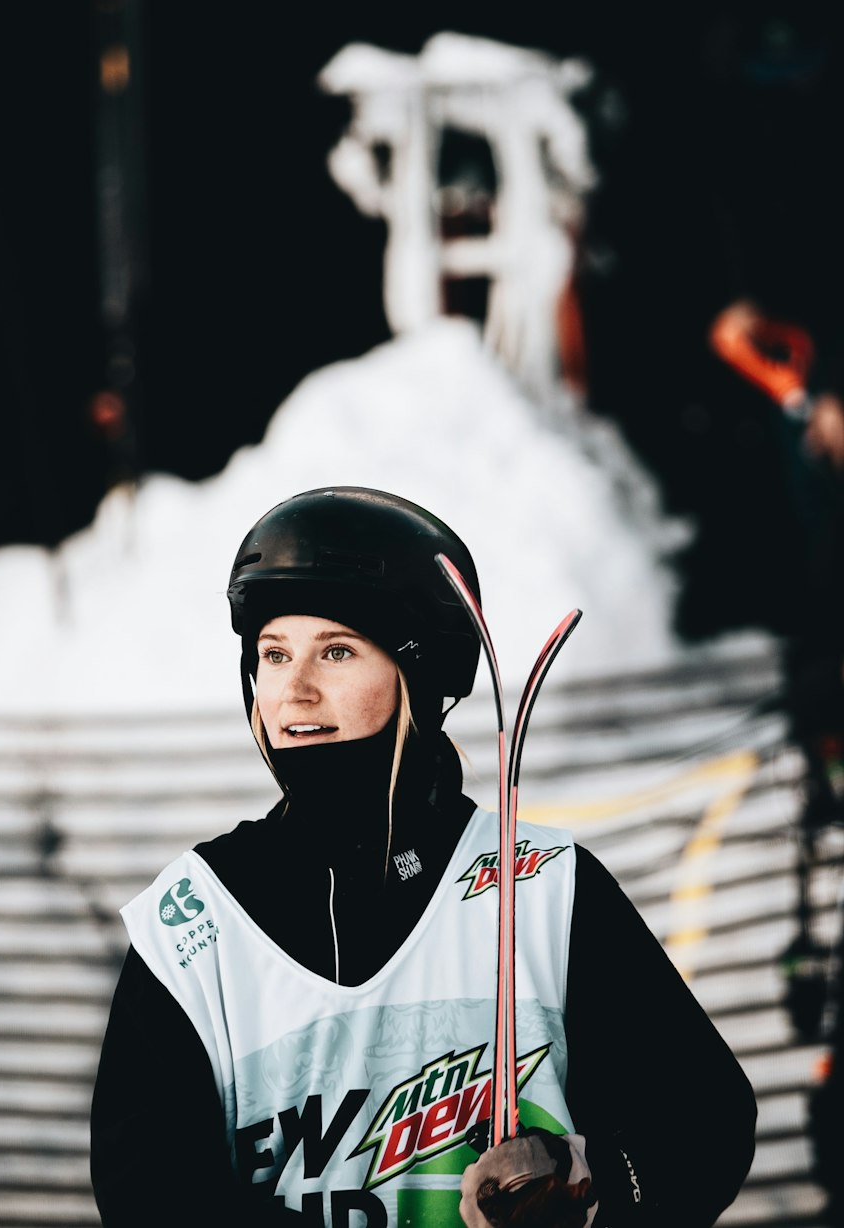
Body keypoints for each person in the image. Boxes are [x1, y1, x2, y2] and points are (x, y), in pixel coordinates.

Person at [90, 486, 757, 1226]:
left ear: (419, 672)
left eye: (336, 651)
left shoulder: (540, 889)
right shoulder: (193, 923)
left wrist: (589, 1182)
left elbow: (705, 1128)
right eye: (273, 655)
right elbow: (146, 1196)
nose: (295, 691)